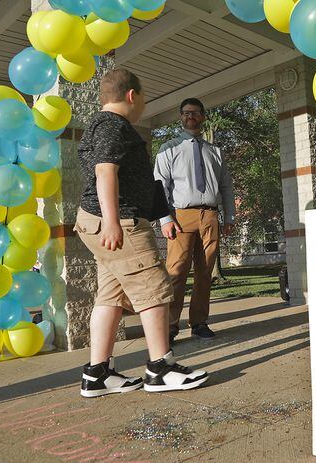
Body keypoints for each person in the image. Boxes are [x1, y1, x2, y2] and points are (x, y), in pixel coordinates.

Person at [75, 68, 208, 397]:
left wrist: (159, 214)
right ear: (132, 95)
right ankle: (160, 368)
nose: (144, 102)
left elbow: (141, 182)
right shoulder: (111, 125)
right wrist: (112, 220)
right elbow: (106, 171)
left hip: (102, 221)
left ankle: (97, 375)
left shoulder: (104, 125)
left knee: (111, 296)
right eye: (144, 96)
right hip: (119, 223)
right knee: (155, 289)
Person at [154, 98, 235, 343]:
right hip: (181, 216)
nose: (191, 116)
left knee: (204, 272)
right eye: (186, 112)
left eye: (196, 112)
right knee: (176, 272)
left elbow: (226, 187)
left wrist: (229, 216)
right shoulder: (169, 148)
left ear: (203, 117)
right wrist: (165, 219)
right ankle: (169, 326)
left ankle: (199, 322)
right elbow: (159, 186)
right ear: (180, 116)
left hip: (210, 215)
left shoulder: (215, 152)